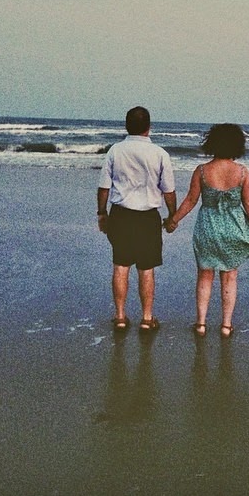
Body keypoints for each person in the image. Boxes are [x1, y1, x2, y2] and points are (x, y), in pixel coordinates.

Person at [165, 123, 249, 338]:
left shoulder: (202, 171)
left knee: (205, 275)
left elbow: (191, 200)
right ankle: (226, 326)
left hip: (207, 228)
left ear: (212, 143)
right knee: (229, 276)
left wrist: (173, 220)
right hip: (233, 228)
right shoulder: (242, 172)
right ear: (237, 145)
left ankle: (201, 324)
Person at [97, 106, 177, 333]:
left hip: (121, 214)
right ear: (148, 127)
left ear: (126, 126)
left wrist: (102, 213)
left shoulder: (115, 150)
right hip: (147, 217)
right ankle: (147, 318)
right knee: (146, 268)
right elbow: (168, 190)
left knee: (120, 266)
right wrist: (172, 216)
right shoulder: (160, 154)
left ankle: (120, 316)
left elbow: (104, 187)